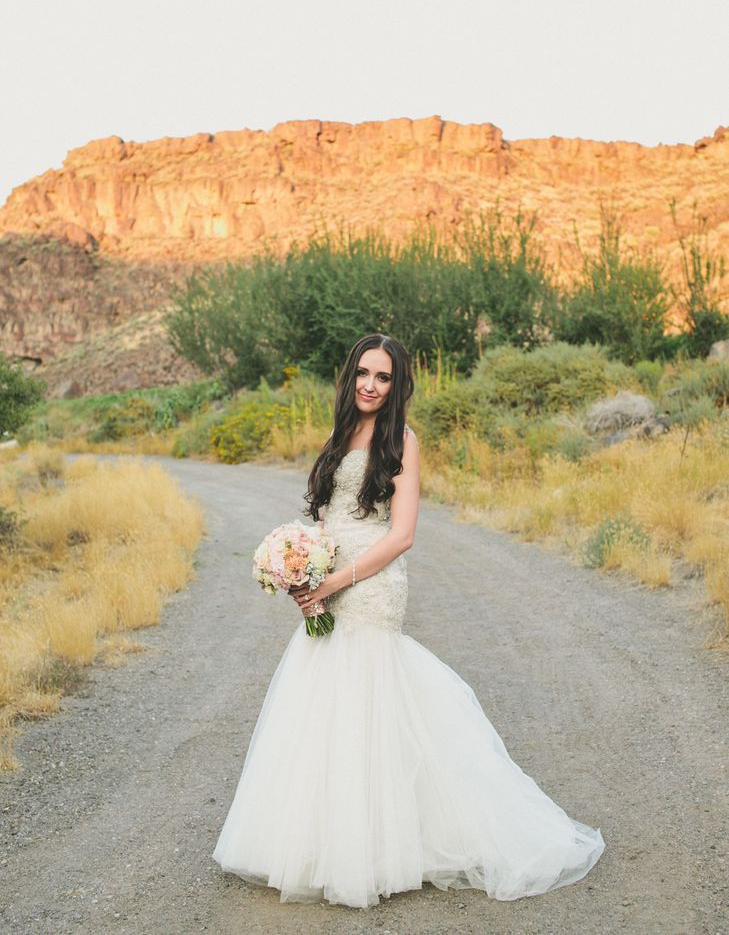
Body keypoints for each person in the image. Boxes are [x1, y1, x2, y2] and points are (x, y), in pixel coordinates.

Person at [212, 332, 605, 909]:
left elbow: (402, 535)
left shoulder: (404, 441)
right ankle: (323, 841)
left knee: (368, 695)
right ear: (351, 378)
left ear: (398, 386)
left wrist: (334, 581)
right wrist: (299, 567)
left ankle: (378, 849)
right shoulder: (336, 435)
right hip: (326, 578)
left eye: (384, 377)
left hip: (371, 585)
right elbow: (325, 517)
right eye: (364, 374)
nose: (371, 385)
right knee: (323, 700)